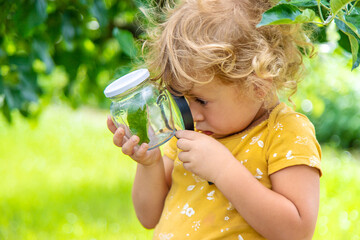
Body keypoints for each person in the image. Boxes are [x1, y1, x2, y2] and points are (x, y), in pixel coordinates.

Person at [107, 0, 322, 239]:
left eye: (201, 101)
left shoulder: (285, 132)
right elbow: (148, 217)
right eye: (182, 98)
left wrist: (223, 170)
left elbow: (297, 232)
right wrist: (150, 164)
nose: (192, 114)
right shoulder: (189, 133)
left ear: (258, 85)